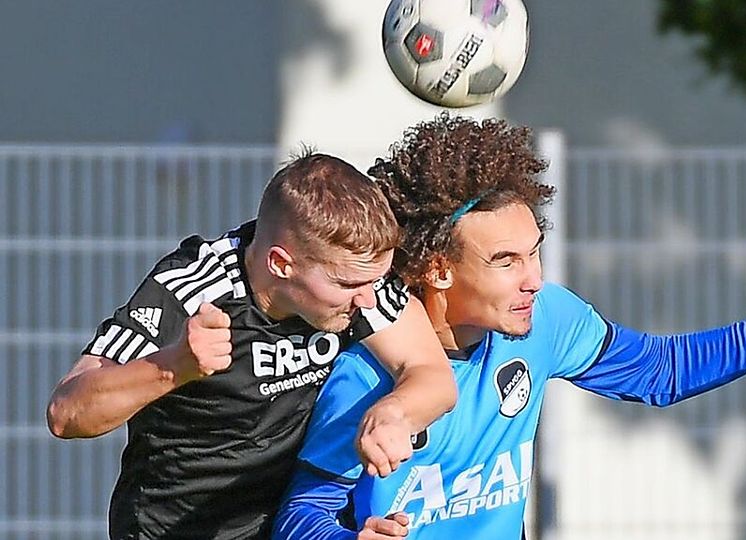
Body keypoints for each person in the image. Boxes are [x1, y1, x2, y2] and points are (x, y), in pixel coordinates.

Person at [271, 114, 746, 540]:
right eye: (505, 261)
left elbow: (663, 371)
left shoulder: (545, 320)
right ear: (436, 270)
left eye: (534, 250)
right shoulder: (366, 370)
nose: (534, 278)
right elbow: (303, 511)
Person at [46, 151, 458, 539]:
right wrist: (173, 366)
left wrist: (395, 413)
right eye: (349, 284)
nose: (370, 299)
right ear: (281, 264)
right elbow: (67, 413)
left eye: (375, 281)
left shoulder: (358, 285)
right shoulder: (195, 289)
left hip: (286, 524)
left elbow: (431, 374)